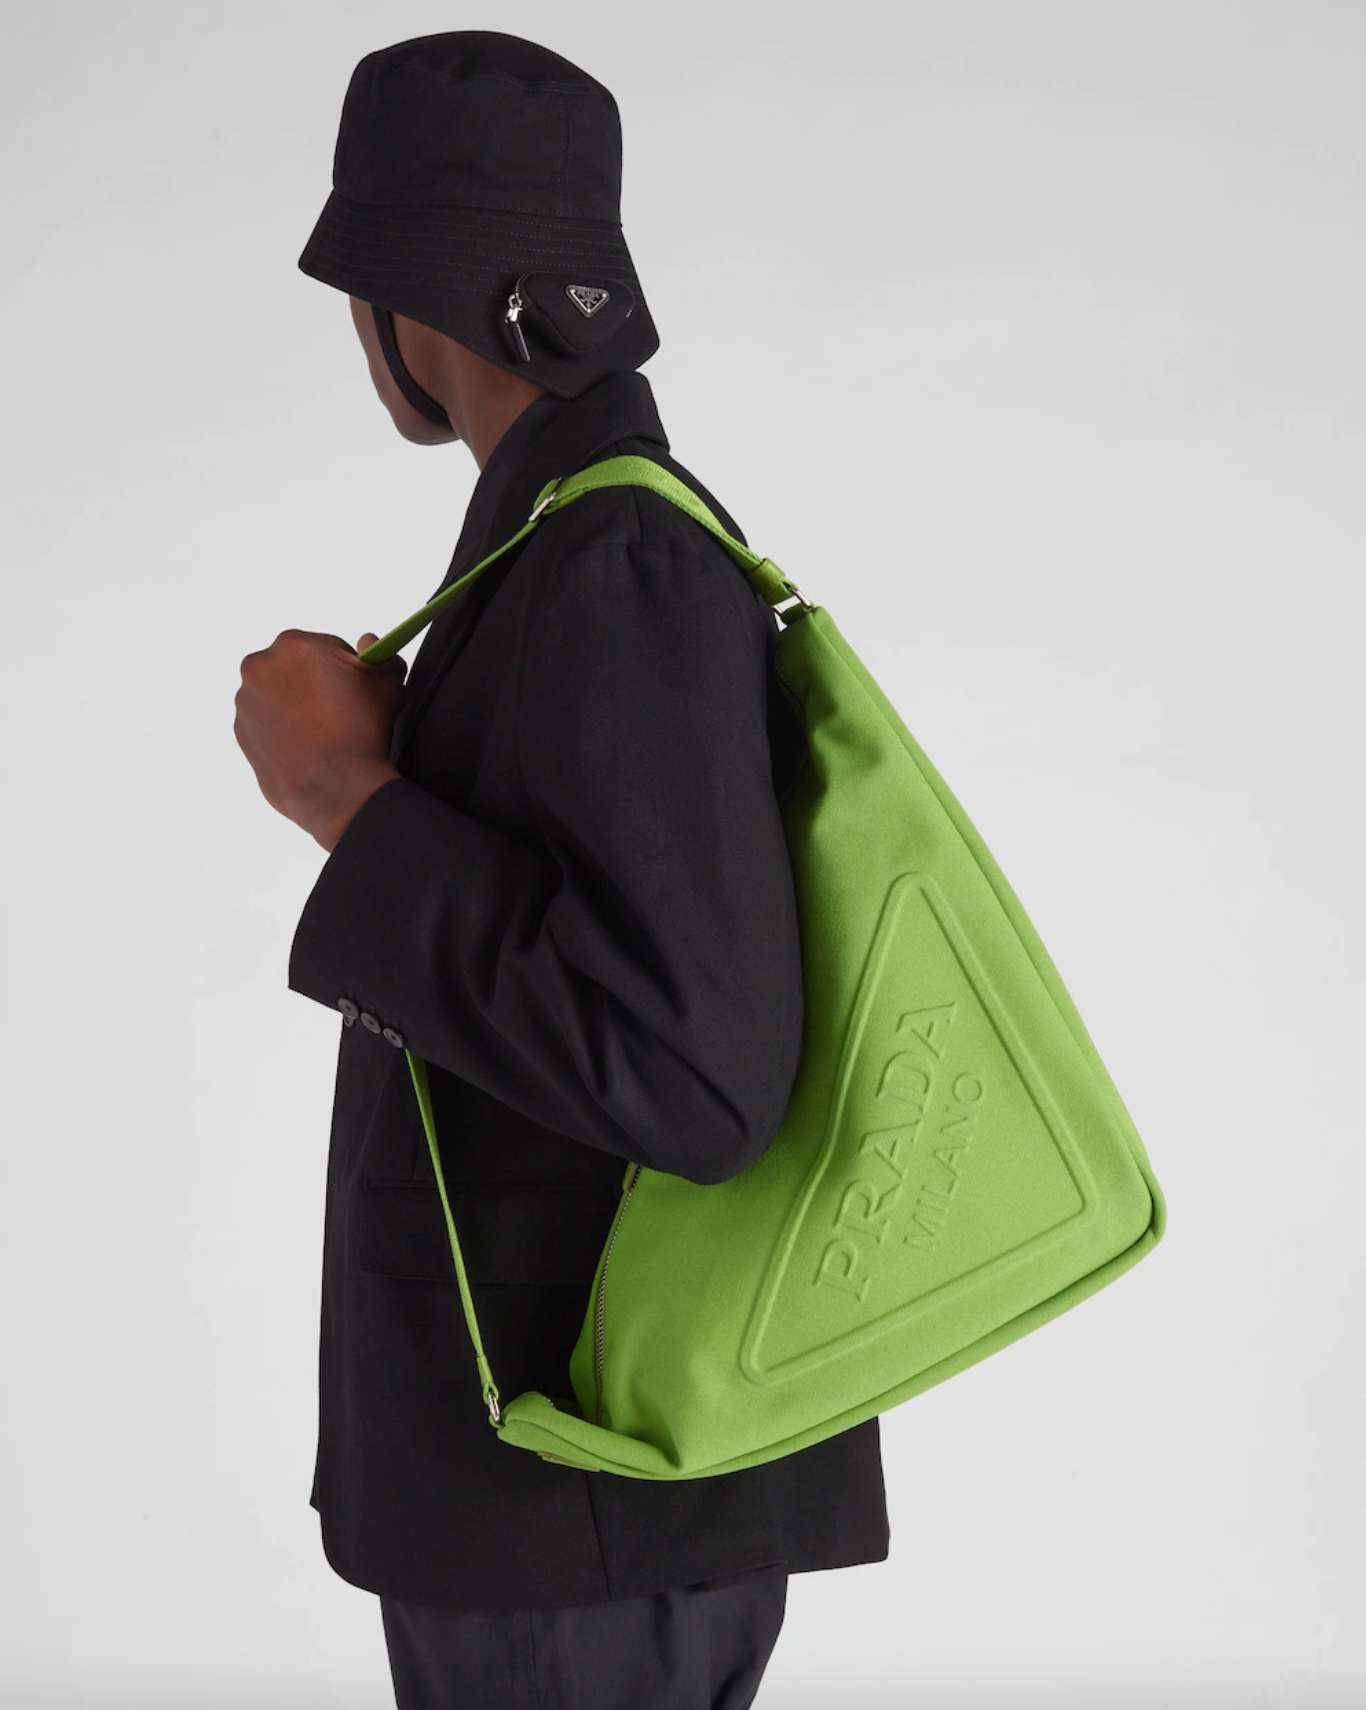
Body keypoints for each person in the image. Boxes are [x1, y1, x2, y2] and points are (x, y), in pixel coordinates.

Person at [234, 31, 889, 1710]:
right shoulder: (568, 545)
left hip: (585, 1491)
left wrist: (348, 799)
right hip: (571, 1493)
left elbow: (691, 1072)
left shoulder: (614, 558)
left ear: (398, 298)